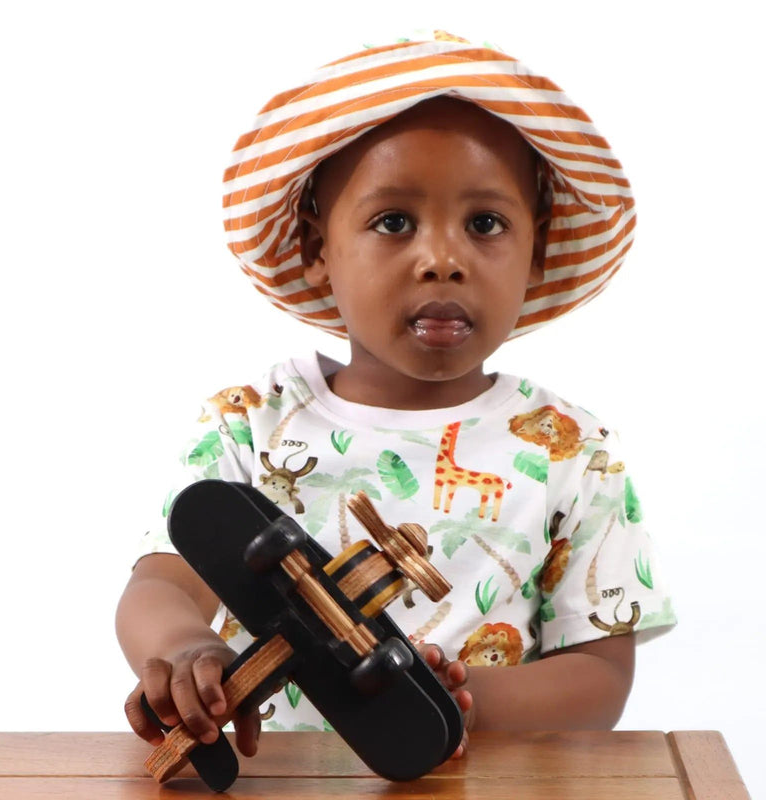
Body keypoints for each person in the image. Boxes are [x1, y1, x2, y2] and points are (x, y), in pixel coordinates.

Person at [116, 30, 676, 763]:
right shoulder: (249, 425)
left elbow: (600, 676)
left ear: (535, 251)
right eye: (393, 222)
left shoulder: (570, 450)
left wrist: (456, 697)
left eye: (485, 224)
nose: (442, 259)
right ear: (317, 248)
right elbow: (162, 580)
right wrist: (183, 647)